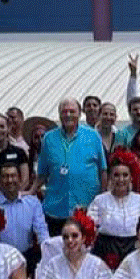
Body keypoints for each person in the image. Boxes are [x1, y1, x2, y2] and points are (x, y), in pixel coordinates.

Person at [37, 99, 107, 232]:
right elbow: (42, 173)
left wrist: (102, 198)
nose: (68, 114)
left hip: (87, 208)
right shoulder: (48, 138)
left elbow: (103, 170)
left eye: (72, 111)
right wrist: (30, 191)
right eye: (64, 111)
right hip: (56, 209)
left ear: (80, 114)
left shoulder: (93, 136)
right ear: (59, 115)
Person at [32, 210, 112, 279]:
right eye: (65, 237)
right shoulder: (53, 264)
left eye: (75, 236)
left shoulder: (97, 264)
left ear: (83, 238)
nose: (70, 240)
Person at [89, 148, 140, 270]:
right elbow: (90, 228)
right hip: (106, 251)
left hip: (135, 249)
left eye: (125, 175)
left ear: (131, 177)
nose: (121, 179)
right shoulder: (99, 201)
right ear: (110, 177)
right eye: (116, 175)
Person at [0, 163, 48, 271]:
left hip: (26, 257)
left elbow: (41, 230)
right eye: (5, 176)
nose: (10, 180)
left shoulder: (32, 202)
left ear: (19, 179)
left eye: (13, 176)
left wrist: (48, 253)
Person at [21, 115, 55, 194]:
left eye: (43, 136)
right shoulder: (28, 158)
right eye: (36, 137)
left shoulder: (55, 157)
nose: (40, 140)